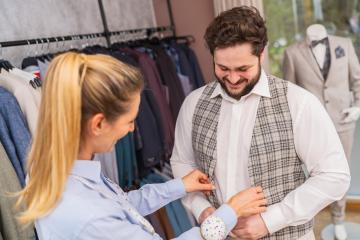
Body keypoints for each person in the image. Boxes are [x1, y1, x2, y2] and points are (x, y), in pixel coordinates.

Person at [15, 52, 267, 240]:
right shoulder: (86, 214)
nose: (133, 129)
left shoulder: (58, 171)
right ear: (99, 124)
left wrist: (179, 186)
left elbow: (121, 205)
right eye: (130, 120)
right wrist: (229, 211)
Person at [171, 6, 351, 240]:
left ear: (261, 54)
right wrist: (200, 209)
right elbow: (182, 162)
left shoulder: (299, 102)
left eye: (243, 68)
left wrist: (271, 220)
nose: (233, 78)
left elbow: (334, 175)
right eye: (223, 68)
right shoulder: (193, 104)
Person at [283, 23, 360, 240]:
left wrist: (358, 106)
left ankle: (339, 219)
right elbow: (290, 92)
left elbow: (357, 79)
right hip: (311, 126)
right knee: (312, 175)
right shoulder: (292, 53)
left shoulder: (344, 45)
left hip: (344, 120)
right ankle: (307, 221)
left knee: (341, 173)